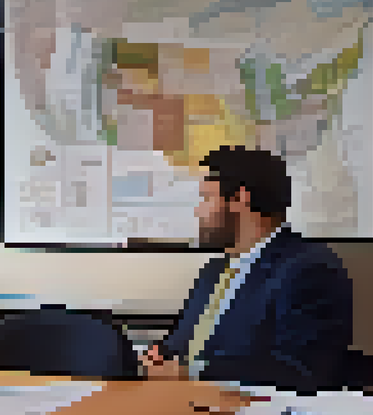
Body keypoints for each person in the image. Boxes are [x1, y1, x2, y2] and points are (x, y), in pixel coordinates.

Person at [140, 145, 355, 392]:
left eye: (206, 198)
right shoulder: (214, 270)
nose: (198, 211)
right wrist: (160, 357)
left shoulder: (309, 269)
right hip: (185, 401)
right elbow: (181, 345)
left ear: (240, 198)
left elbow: (299, 369)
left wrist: (191, 372)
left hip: (252, 411)